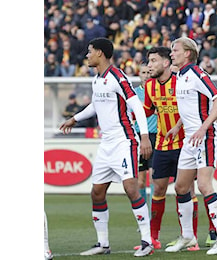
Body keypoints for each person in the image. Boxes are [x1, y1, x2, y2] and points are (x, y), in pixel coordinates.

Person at [59, 37, 153, 257]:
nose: (87, 55)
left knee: (131, 188)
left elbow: (136, 107)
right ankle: (103, 244)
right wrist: (75, 118)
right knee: (97, 192)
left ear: (100, 53)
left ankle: (147, 242)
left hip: (124, 140)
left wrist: (145, 137)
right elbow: (96, 104)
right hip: (106, 144)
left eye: (90, 51)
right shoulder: (97, 79)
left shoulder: (118, 77)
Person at [136, 47, 217, 251]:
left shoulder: (180, 81)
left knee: (189, 189)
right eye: (148, 62)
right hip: (163, 144)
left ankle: (194, 237)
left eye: (153, 61)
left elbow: (196, 106)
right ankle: (153, 238)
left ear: (165, 63)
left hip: (187, 143)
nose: (149, 66)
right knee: (159, 188)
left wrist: (180, 126)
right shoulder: (150, 87)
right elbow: (146, 112)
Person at [164, 36, 217, 255]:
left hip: (206, 137)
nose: (171, 53)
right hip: (189, 139)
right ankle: (187, 236)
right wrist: (177, 126)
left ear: (188, 54)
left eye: (175, 50)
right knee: (181, 187)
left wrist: (203, 127)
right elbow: (192, 107)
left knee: (204, 185)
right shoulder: (180, 77)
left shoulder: (196, 74)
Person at [132, 63, 158, 220]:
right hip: (140, 137)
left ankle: (154, 216)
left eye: (149, 72)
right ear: (139, 74)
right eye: (143, 72)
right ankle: (144, 216)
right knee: (140, 181)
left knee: (155, 178)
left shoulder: (157, 90)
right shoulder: (134, 94)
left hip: (156, 136)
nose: (147, 75)